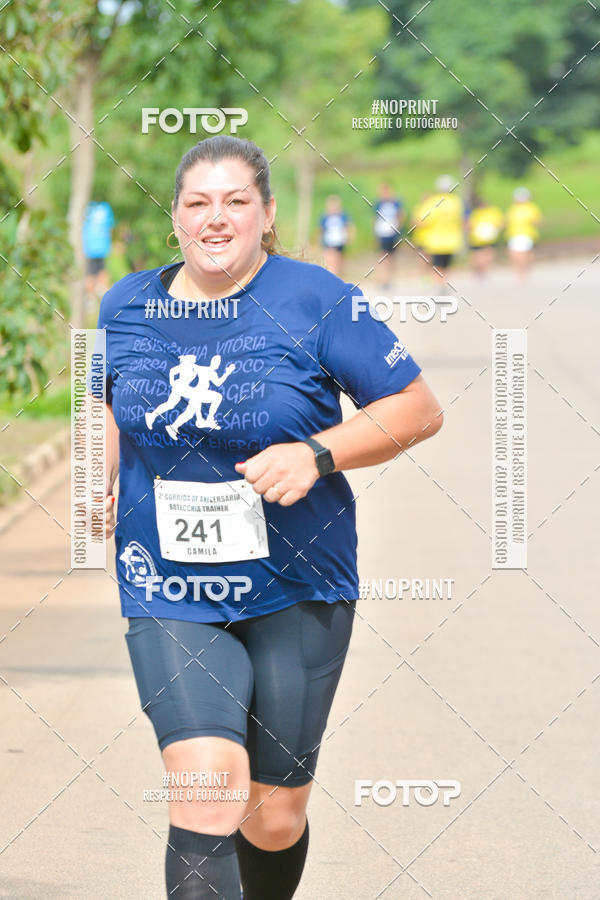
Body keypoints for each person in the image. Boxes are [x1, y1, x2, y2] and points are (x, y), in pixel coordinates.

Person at [98, 135, 443, 899]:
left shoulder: (317, 299)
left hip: (297, 583)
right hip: (168, 583)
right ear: (176, 217)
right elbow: (103, 401)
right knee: (206, 790)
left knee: (273, 817)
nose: (216, 217)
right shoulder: (123, 305)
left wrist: (317, 454)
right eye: (198, 203)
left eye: (236, 201)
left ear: (268, 214)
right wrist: (97, 473)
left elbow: (417, 407)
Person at [410, 175, 463, 287]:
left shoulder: (433, 202)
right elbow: (462, 220)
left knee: (437, 266)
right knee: (446, 265)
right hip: (452, 241)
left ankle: (440, 285)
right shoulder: (456, 202)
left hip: (436, 241)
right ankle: (443, 283)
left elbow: (424, 221)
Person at [505, 187, 542, 283]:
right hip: (513, 234)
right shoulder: (513, 208)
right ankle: (520, 271)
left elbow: (537, 221)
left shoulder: (531, 208)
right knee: (514, 254)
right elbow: (507, 221)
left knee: (522, 254)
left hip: (526, 234)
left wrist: (531, 222)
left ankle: (523, 272)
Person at [373, 182, 405, 288]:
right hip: (382, 234)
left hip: (393, 233)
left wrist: (398, 229)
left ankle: (390, 278)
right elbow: (375, 219)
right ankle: (382, 278)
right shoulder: (378, 204)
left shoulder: (396, 203)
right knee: (383, 256)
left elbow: (401, 215)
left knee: (392, 256)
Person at [83, 200, 115, 301]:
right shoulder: (106, 207)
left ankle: (90, 297)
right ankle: (104, 294)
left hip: (89, 247)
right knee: (102, 270)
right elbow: (110, 227)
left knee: (90, 273)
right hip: (102, 246)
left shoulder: (86, 208)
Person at [467, 195, 504, 278]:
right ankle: (478, 271)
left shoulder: (494, 212)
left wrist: (495, 230)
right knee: (477, 258)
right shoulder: (476, 213)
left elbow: (501, 224)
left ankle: (486, 272)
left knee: (488, 256)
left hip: (490, 240)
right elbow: (469, 225)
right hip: (477, 240)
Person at [319, 194, 353, 278]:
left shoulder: (343, 216)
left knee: (340, 262)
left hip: (340, 242)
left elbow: (348, 227)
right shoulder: (325, 217)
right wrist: (319, 241)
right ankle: (332, 277)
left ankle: (338, 277)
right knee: (331, 261)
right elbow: (321, 230)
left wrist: (349, 237)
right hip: (328, 242)